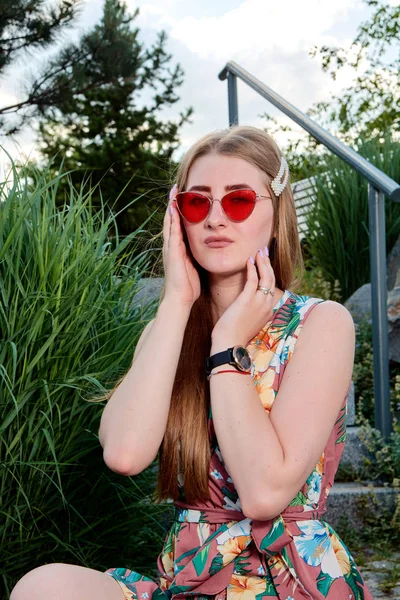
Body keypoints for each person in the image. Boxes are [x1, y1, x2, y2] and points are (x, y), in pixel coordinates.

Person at [10, 125, 372, 600]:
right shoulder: (169, 329)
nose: (215, 219)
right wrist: (176, 303)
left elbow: (265, 495)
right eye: (198, 203)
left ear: (275, 212)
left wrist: (227, 344)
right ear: (177, 217)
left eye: (238, 200)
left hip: (288, 581)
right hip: (190, 580)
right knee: (44, 586)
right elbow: (123, 453)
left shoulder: (321, 323)